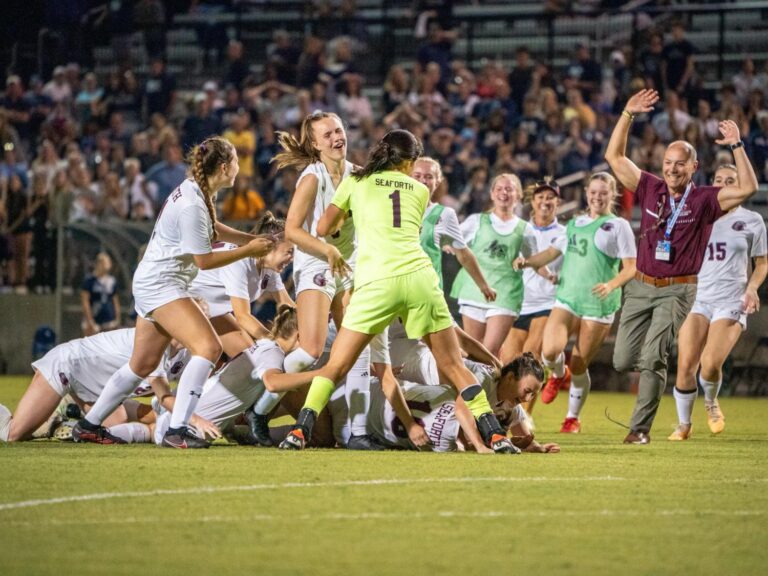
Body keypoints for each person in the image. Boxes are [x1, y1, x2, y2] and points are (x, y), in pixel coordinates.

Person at [279, 129, 518, 454]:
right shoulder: (419, 190)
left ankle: (299, 431)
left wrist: (346, 216)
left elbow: (323, 228)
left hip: (377, 280)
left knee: (337, 365)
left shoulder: (357, 181)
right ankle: (495, 435)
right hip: (420, 278)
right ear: (409, 161)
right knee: (453, 366)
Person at [72, 136, 276, 448]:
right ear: (224, 167)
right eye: (235, 161)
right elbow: (204, 260)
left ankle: (88, 424)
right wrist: (249, 250)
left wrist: (249, 239)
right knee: (208, 348)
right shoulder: (193, 203)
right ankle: (178, 429)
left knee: (140, 365)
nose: (239, 167)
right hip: (162, 285)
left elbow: (215, 229)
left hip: (156, 281)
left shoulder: (199, 192)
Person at [605, 89, 758, 444]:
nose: (672, 169)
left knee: (653, 355)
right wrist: (628, 114)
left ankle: (639, 429)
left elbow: (748, 187)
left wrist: (737, 145)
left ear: (693, 167)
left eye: (679, 163)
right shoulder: (650, 187)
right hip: (641, 285)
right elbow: (614, 156)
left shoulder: (705, 199)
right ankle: (653, 389)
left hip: (678, 288)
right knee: (622, 359)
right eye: (668, 163)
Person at [273, 111, 377, 447]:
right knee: (312, 349)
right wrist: (327, 251)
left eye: (339, 130)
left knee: (357, 347)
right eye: (328, 134)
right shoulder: (312, 177)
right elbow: (291, 230)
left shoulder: (358, 176)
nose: (336, 137)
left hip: (347, 268)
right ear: (315, 144)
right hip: (315, 264)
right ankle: (262, 400)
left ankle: (357, 434)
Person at [514, 173, 637, 433]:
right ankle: (559, 375)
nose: (597, 197)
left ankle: (572, 417)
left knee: (580, 363)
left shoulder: (618, 226)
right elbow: (550, 254)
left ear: (612, 195)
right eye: (593, 192)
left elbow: (630, 268)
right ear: (586, 193)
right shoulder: (575, 223)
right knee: (549, 352)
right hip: (567, 298)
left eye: (603, 192)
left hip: (598, 304)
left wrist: (611, 284)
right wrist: (526, 262)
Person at [670, 164, 767, 440]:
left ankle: (711, 402)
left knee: (710, 363)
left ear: (741, 186)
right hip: (698, 298)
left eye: (731, 181)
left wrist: (752, 288)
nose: (724, 185)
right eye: (719, 180)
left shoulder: (751, 220)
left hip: (732, 299)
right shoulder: (698, 217)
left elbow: (762, 263)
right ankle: (683, 425)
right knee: (686, 364)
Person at [0, 328, 191, 443]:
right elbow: (165, 399)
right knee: (13, 433)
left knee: (117, 420)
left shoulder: (185, 354)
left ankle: (61, 419)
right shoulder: (154, 342)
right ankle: (62, 406)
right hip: (66, 366)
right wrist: (196, 419)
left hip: (92, 388)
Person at [450, 173, 538, 358]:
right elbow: (453, 241)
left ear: (518, 195)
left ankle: (490, 386)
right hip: (474, 291)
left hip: (505, 293)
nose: (503, 193)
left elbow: (534, 260)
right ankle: (479, 387)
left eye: (509, 189)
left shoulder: (525, 229)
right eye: (499, 189)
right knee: (472, 354)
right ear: (491, 194)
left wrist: (528, 264)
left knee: (488, 353)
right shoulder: (476, 221)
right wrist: (446, 244)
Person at [190, 211, 294, 342]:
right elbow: (243, 317)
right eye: (289, 252)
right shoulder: (240, 263)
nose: (292, 258)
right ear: (271, 246)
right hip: (187, 304)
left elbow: (287, 304)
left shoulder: (268, 266)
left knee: (247, 358)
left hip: (211, 310)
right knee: (193, 354)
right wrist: (274, 341)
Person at [500, 179, 566, 369]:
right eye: (541, 197)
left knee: (530, 359)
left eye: (550, 197)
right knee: (508, 365)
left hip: (548, 302)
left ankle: (557, 370)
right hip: (519, 302)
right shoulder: (518, 229)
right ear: (533, 200)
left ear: (558, 202)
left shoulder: (565, 233)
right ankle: (558, 369)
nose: (545, 201)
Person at [80, 252, 121, 336]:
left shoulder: (112, 281)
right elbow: (85, 301)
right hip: (93, 319)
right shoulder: (89, 280)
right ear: (99, 264)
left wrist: (117, 319)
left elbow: (115, 301)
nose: (108, 265)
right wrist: (90, 321)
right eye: (105, 262)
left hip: (108, 319)